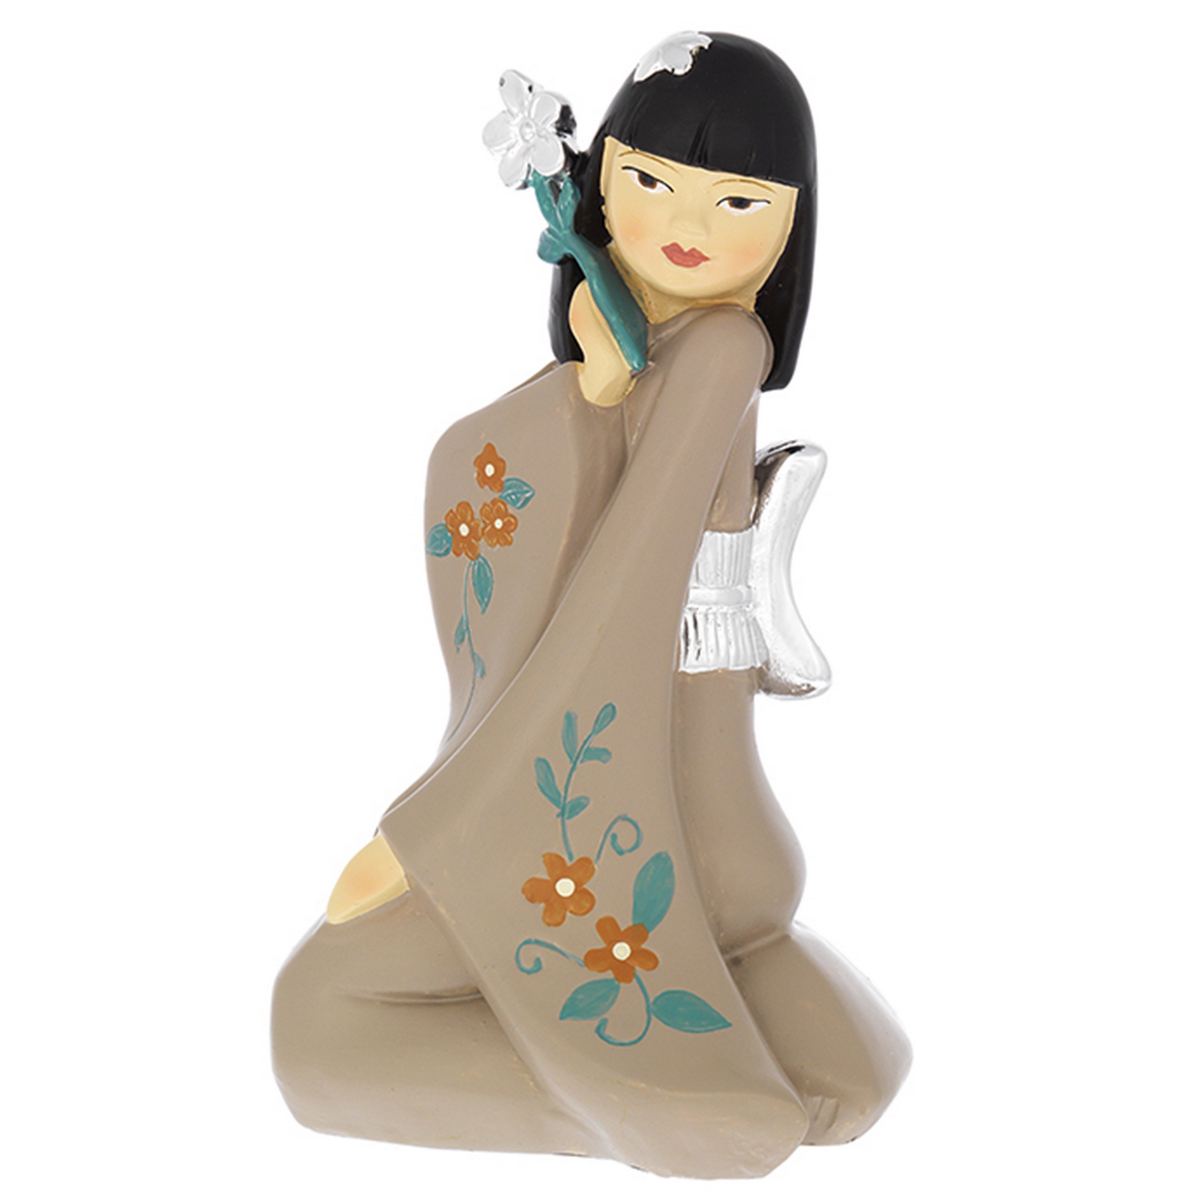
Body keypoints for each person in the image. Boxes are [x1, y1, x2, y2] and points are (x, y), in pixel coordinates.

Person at [271, 32, 910, 1179]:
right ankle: (744, 1041)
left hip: (649, 814)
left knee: (313, 1022)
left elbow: (624, 588)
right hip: (729, 834)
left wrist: (433, 831)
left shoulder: (719, 353)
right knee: (838, 1071)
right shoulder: (666, 351)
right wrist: (589, 398)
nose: (687, 224)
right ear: (602, 174)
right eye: (651, 180)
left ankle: (628, 1105)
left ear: (788, 227)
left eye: (738, 201)